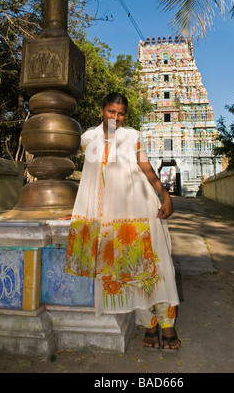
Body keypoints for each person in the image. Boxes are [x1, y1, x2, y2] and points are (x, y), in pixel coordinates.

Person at [64, 93, 180, 351]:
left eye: (121, 113)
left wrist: (165, 196)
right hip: (109, 217)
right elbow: (90, 178)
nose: (115, 117)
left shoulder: (132, 136)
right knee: (127, 271)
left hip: (141, 208)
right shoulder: (87, 140)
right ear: (101, 110)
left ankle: (167, 325)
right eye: (111, 112)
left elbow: (146, 168)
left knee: (156, 266)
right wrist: (79, 210)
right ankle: (149, 324)